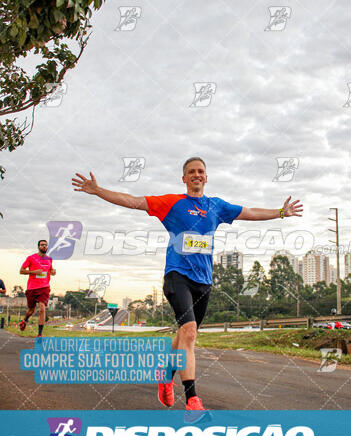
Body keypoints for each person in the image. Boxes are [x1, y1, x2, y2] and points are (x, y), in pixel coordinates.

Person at [72, 157, 303, 414]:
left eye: (200, 171)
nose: (196, 175)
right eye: (191, 172)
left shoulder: (216, 206)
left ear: (206, 177)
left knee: (184, 335)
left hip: (203, 281)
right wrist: (98, 191)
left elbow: (249, 213)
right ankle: (193, 400)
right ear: (184, 178)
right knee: (190, 332)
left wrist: (281, 212)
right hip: (177, 276)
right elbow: (134, 201)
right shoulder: (172, 203)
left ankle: (165, 374)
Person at [19, 240, 56, 337]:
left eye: (45, 245)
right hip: (32, 288)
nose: (44, 246)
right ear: (38, 246)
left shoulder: (49, 259)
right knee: (31, 310)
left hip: (44, 288)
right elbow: (21, 271)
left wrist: (52, 271)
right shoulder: (31, 258)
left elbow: (50, 270)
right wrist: (34, 272)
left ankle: (39, 334)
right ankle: (24, 320)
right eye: (42, 245)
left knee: (42, 309)